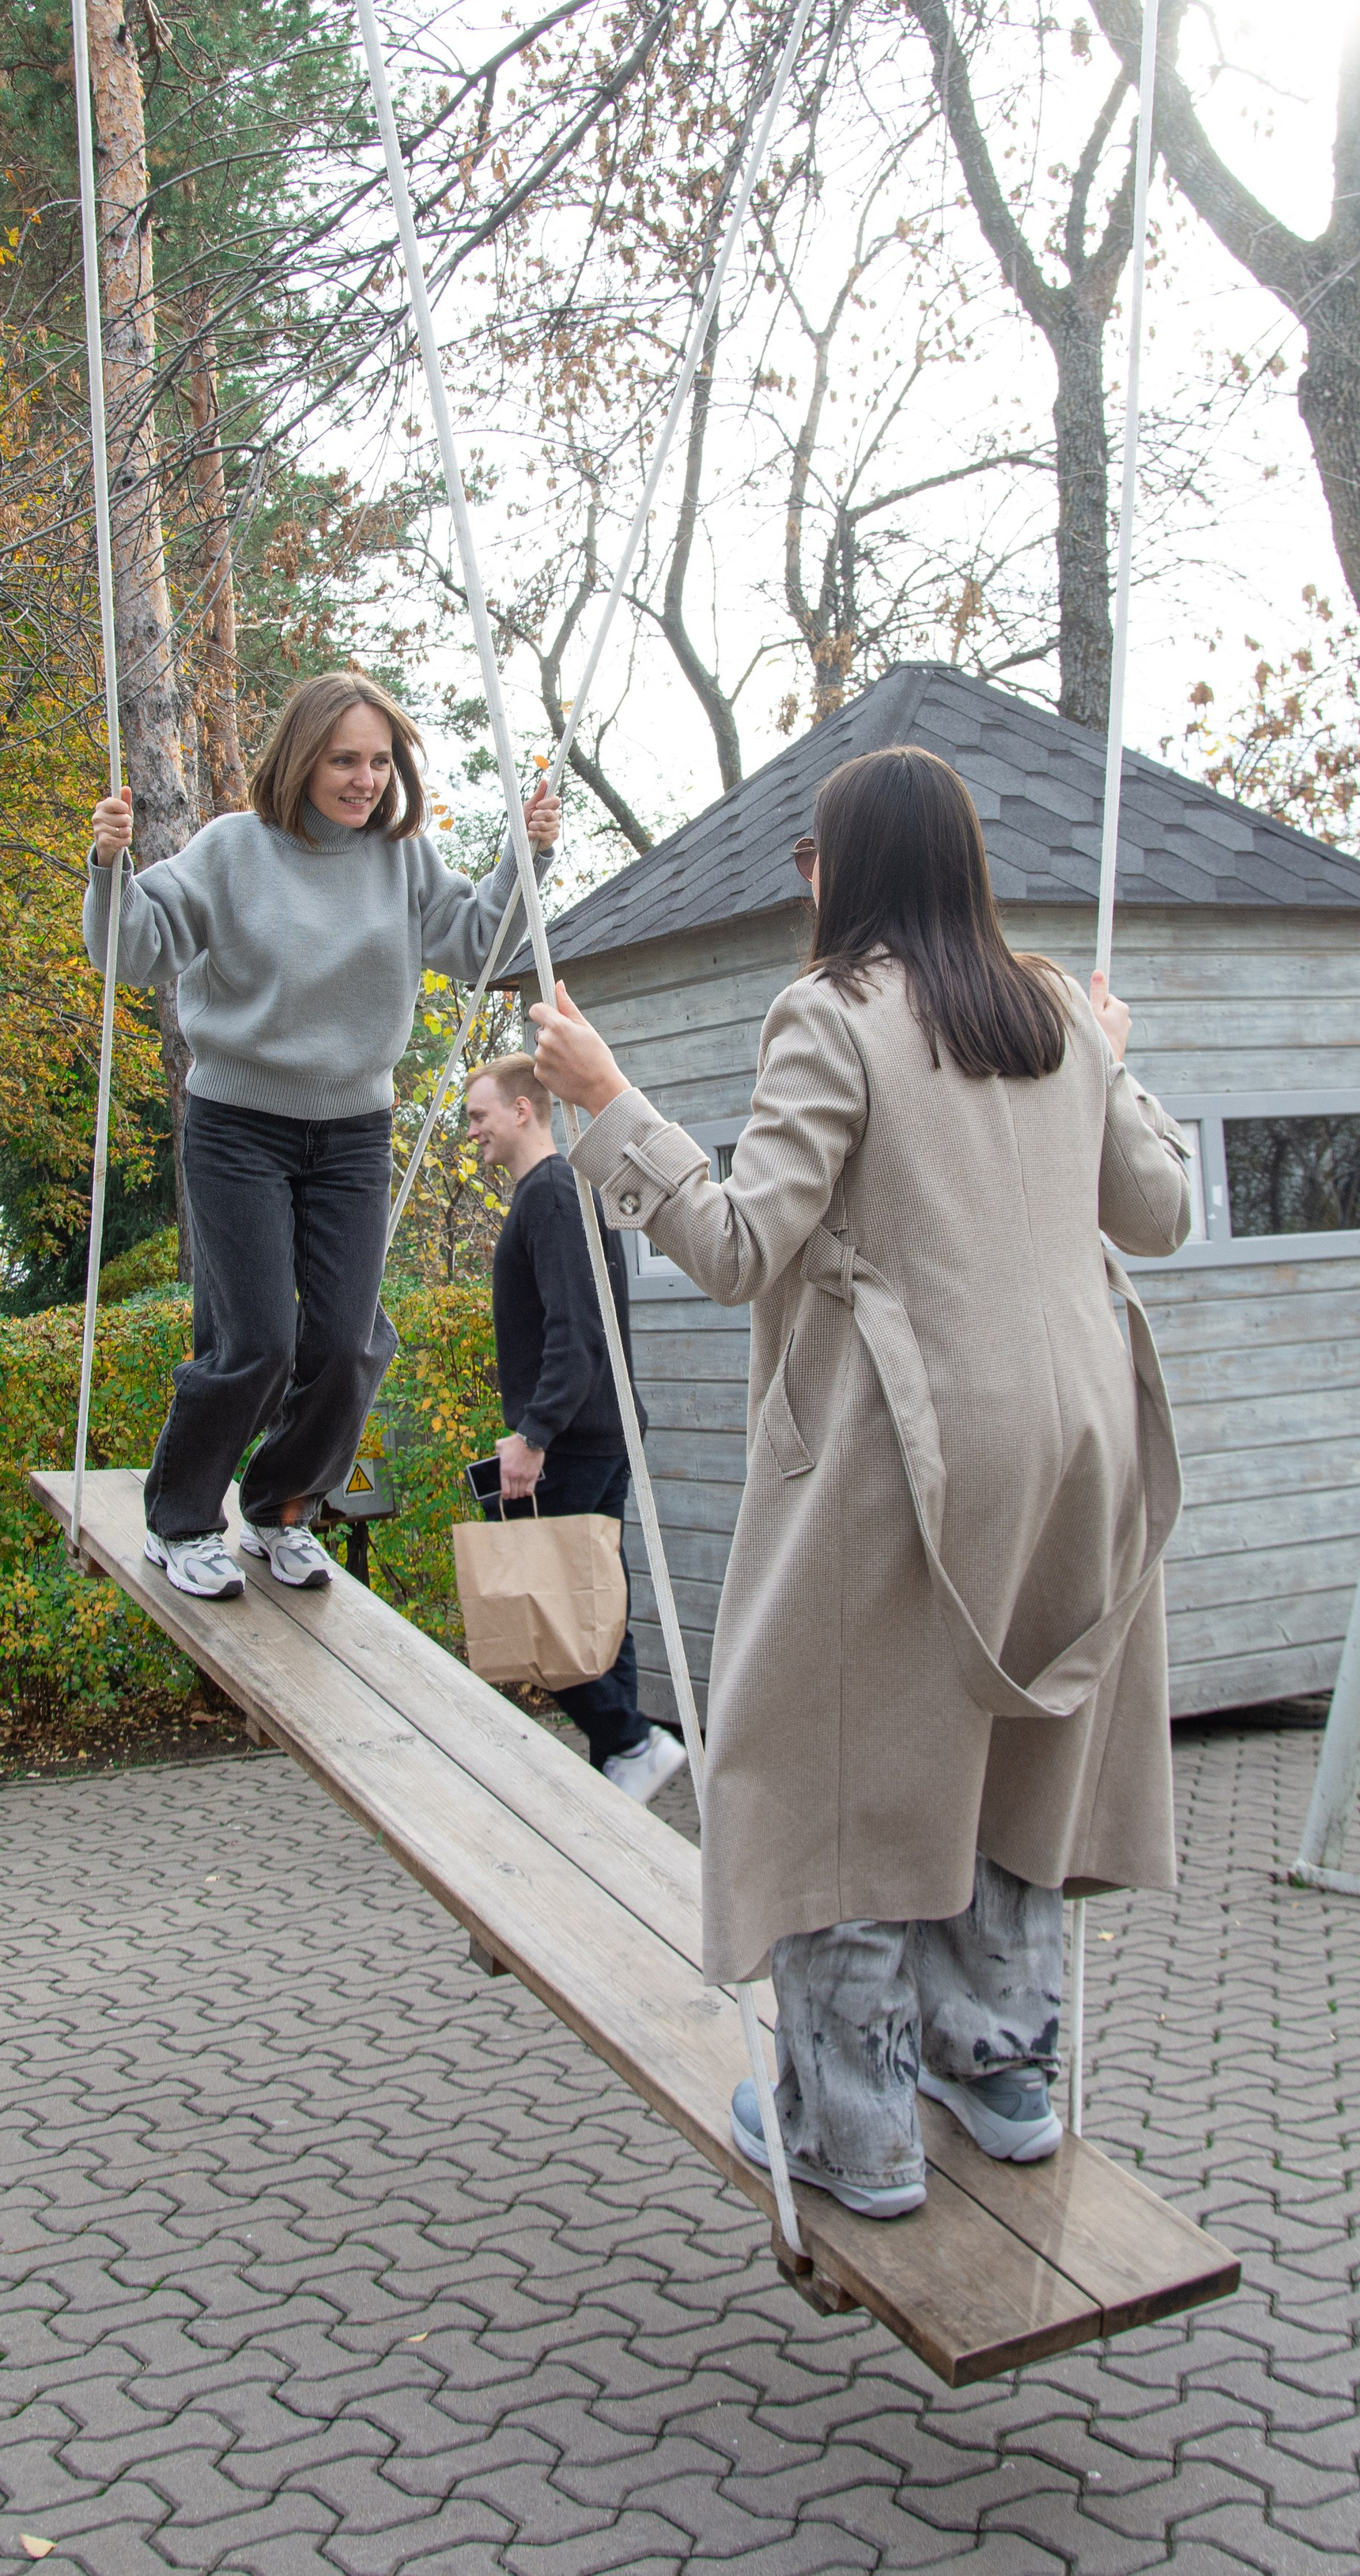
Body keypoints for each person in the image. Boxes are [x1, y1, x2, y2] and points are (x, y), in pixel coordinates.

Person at [530, 745, 1190, 2219]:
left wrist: (609, 1102)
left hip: (913, 1447)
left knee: (827, 1768)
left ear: (856, 868)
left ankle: (857, 2133)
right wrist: (1114, 1055)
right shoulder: (1056, 1018)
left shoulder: (829, 1017)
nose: (803, 883)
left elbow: (737, 1247)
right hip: (1084, 1448)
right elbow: (1164, 1213)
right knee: (1015, 1748)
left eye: (814, 856)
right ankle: (1003, 2073)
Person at [86, 672, 557, 1598]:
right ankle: (181, 1521)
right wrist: (110, 868)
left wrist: (523, 860)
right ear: (301, 758)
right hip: (238, 1129)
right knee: (257, 1340)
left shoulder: (402, 860)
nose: (365, 779)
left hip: (351, 1133)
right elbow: (134, 952)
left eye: (380, 761)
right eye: (344, 759)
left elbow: (477, 946)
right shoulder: (232, 850)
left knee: (345, 1344)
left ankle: (280, 1510)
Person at [465, 1054, 688, 1806]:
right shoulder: (546, 1194)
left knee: (547, 1611)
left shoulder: (553, 1194)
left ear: (523, 1111)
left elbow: (579, 1333)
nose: (473, 1133)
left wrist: (533, 1436)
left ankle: (629, 1740)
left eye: (479, 1116)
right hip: (589, 1435)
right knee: (592, 1604)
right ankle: (622, 1762)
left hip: (576, 1440)